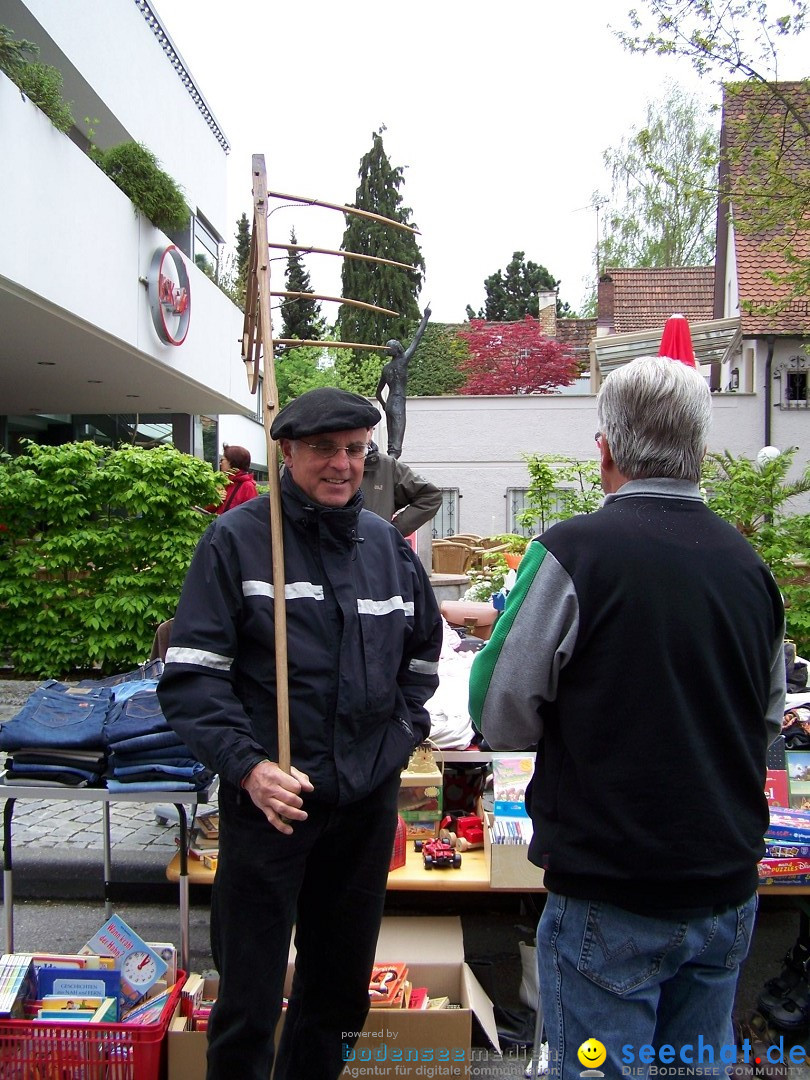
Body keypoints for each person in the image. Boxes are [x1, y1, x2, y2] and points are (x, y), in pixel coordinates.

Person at [469, 356, 786, 1078]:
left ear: (606, 449)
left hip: (610, 895)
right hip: (726, 891)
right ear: (700, 451)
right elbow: (765, 724)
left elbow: (499, 715)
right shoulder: (749, 567)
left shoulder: (573, 552)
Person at [157, 387, 442, 1080]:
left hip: (362, 807)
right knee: (249, 1001)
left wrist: (392, 746)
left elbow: (424, 661)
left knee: (340, 997)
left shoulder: (386, 546)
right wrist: (250, 768)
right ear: (286, 450)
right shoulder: (239, 540)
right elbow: (192, 679)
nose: (341, 465)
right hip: (270, 808)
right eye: (323, 450)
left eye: (354, 450)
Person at [375, 306, 431, 458]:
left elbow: (377, 393)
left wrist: (385, 405)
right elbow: (417, 338)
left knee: (390, 445)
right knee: (396, 447)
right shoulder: (402, 361)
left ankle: (389, 469)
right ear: (398, 349)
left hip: (389, 403)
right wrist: (425, 317)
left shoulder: (386, 368)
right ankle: (391, 473)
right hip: (399, 402)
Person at [361, 440, 441, 537]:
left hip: (376, 546)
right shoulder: (340, 464)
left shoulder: (388, 466)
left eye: (369, 428)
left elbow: (431, 497)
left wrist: (394, 531)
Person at [205, 445, 258, 514]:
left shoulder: (248, 487)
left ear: (232, 461)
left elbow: (252, 515)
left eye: (222, 460)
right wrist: (215, 500)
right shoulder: (222, 483)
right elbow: (206, 511)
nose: (220, 463)